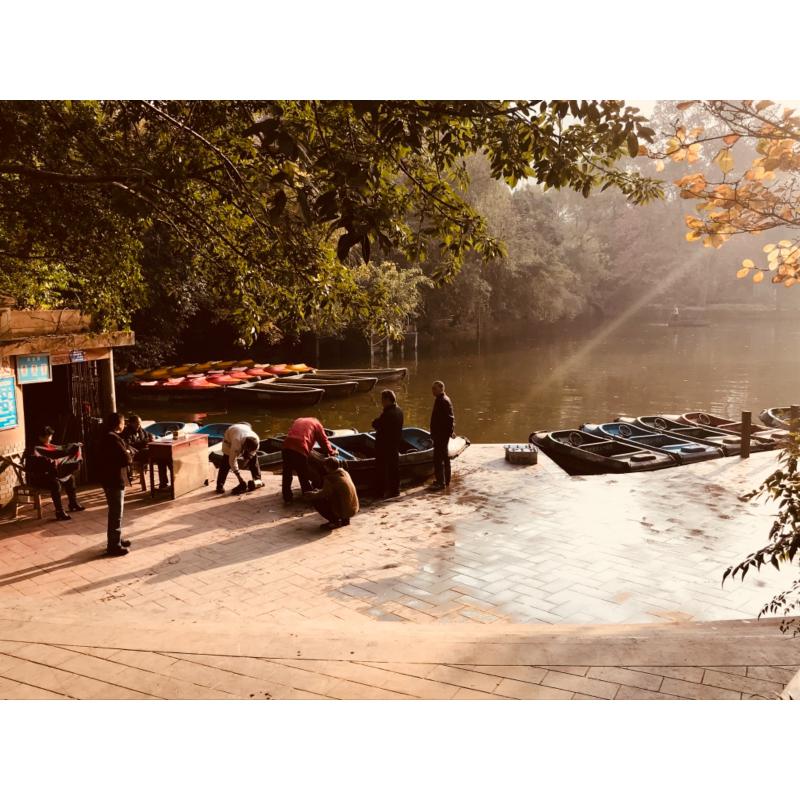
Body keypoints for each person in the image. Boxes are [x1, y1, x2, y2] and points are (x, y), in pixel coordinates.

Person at [25, 426, 84, 521]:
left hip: (50, 474)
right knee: (55, 484)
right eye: (49, 437)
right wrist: (56, 461)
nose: (51, 439)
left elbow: (62, 449)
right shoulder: (34, 449)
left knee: (70, 478)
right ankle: (59, 511)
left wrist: (74, 446)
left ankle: (73, 503)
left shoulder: (49, 446)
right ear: (41, 437)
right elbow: (39, 465)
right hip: (38, 477)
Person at [97, 412, 132, 556]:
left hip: (107, 478)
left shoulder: (105, 436)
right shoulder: (113, 438)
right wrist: (128, 452)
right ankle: (113, 545)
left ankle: (116, 537)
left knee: (115, 511)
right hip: (114, 479)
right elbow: (126, 459)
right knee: (116, 513)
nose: (124, 425)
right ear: (118, 424)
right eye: (123, 423)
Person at [281, 417, 335, 503]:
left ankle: (287, 497)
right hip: (300, 448)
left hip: (286, 446)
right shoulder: (317, 424)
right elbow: (323, 441)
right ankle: (307, 496)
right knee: (303, 474)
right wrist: (331, 452)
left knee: (287, 473)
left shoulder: (299, 420)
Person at [307, 457, 360, 530]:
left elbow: (324, 494)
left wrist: (312, 494)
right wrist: (319, 491)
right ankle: (345, 520)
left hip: (343, 510)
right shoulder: (345, 473)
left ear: (327, 467)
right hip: (352, 509)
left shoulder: (330, 478)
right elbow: (335, 489)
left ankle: (334, 521)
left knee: (316, 500)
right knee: (342, 497)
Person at [121, 415, 168, 490]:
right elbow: (128, 445)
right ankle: (163, 484)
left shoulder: (141, 430)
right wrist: (143, 442)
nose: (138, 425)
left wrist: (152, 437)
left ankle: (164, 484)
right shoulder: (126, 432)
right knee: (159, 454)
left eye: (139, 423)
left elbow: (149, 436)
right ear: (131, 423)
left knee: (162, 457)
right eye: (136, 423)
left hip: (144, 452)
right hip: (134, 454)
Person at [372, 389, 403, 498]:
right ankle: (395, 490)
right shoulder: (399, 411)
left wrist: (377, 420)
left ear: (387, 400)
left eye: (382, 400)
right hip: (394, 444)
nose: (381, 402)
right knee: (394, 468)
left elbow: (376, 424)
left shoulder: (388, 413)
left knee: (382, 469)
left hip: (384, 446)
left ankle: (381, 492)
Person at [216, 422, 263, 495]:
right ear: (245, 446)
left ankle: (258, 480)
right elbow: (232, 460)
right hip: (231, 433)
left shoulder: (256, 440)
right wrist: (239, 478)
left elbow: (252, 454)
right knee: (226, 461)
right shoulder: (236, 442)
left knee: (254, 460)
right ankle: (220, 485)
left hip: (244, 429)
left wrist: (248, 457)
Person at [429, 380, 455, 490]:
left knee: (438, 459)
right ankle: (445, 480)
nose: (432, 391)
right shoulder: (441, 399)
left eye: (434, 388)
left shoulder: (443, 400)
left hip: (441, 435)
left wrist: (449, 432)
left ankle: (441, 482)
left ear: (441, 388)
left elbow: (450, 418)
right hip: (440, 434)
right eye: (432, 388)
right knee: (444, 457)